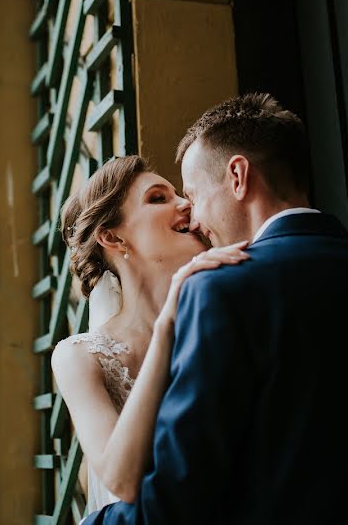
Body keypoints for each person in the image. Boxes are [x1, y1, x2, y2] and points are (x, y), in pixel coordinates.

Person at [80, 92, 348, 524]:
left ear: (237, 176)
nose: (193, 217)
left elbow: (179, 492)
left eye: (192, 193)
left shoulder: (221, 290)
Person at [52, 155, 250, 513]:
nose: (186, 204)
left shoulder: (225, 316)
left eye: (179, 194)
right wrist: (166, 328)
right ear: (112, 236)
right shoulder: (79, 358)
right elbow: (122, 479)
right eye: (159, 198)